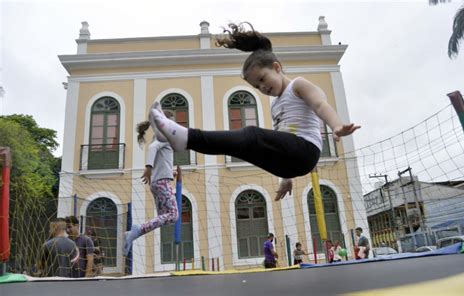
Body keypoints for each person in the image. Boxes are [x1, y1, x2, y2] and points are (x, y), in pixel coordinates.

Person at [147, 22, 360, 202]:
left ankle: (185, 137)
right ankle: (184, 141)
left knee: (251, 135)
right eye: (257, 87)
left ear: (277, 67)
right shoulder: (275, 104)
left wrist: (336, 126)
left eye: (262, 79)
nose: (262, 88)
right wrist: (286, 177)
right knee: (243, 148)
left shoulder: (298, 85)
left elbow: (320, 105)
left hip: (306, 150)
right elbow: (279, 142)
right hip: (291, 160)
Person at [123, 111, 179, 256]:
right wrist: (148, 167)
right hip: (162, 183)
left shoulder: (159, 137)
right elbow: (152, 149)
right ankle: (137, 230)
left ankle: (134, 233)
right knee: (173, 215)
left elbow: (161, 159)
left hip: (157, 182)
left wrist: (169, 172)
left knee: (164, 217)